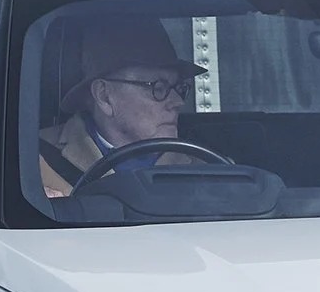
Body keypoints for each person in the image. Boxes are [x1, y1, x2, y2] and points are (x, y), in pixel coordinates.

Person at [39, 17, 204, 196]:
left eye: (179, 88)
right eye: (159, 87)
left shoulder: (207, 168)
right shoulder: (32, 163)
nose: (177, 101)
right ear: (104, 96)